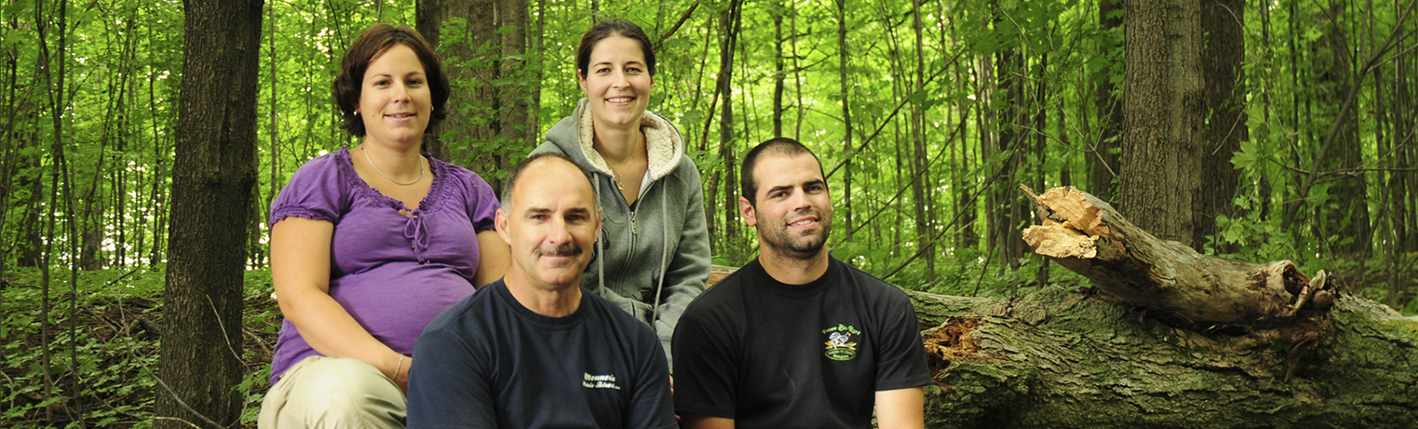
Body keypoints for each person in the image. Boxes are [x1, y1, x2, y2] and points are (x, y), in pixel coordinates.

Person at [258, 23, 509, 429]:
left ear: (432, 96)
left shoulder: (470, 189)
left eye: (414, 81)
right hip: (327, 377)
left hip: (456, 382)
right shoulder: (322, 180)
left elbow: (502, 301)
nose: (401, 95)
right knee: (353, 396)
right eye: (382, 82)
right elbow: (298, 296)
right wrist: (402, 369)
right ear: (357, 99)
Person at [672, 138, 932, 429]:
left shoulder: (885, 307)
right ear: (749, 212)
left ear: (829, 196)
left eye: (813, 187)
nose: (802, 202)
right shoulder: (709, 322)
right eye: (780, 193)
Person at [406, 153, 676, 429]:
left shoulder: (635, 343)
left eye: (575, 217)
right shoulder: (452, 344)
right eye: (539, 216)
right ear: (504, 227)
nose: (559, 236)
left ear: (596, 227)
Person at [532, 18, 709, 365]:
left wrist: (666, 356)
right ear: (583, 80)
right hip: (570, 341)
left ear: (651, 79)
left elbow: (688, 275)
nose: (620, 83)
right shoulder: (549, 167)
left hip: (665, 346)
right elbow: (544, 275)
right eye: (603, 70)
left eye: (633, 69)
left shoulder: (681, 173)